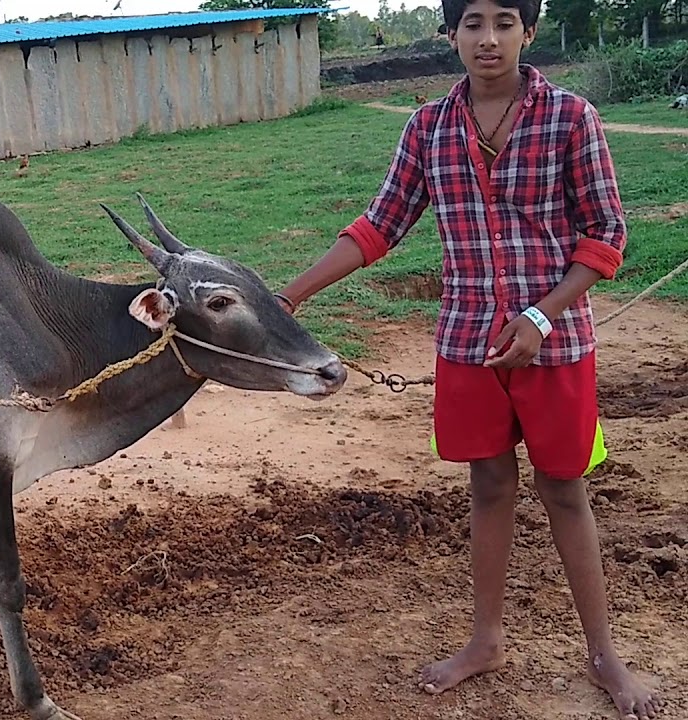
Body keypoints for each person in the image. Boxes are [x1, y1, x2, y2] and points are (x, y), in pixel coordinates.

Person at [273, 0, 662, 718]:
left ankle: (604, 654)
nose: (489, 38)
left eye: (505, 21)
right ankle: (486, 640)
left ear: (530, 31)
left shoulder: (571, 117)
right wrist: (288, 297)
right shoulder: (428, 127)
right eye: (473, 22)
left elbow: (606, 234)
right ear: (450, 33)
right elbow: (380, 223)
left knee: (564, 489)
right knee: (487, 483)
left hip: (556, 344)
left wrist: (543, 316)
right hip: (468, 344)